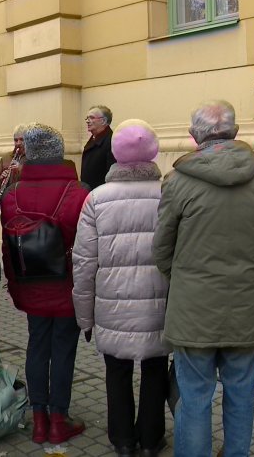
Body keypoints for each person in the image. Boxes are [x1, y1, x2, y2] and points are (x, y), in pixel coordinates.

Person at [152, 100, 254, 457]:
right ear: (236, 132)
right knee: (242, 391)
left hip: (194, 310)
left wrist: (187, 281)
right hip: (247, 307)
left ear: (194, 136)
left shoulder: (177, 182)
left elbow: (161, 249)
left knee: (194, 396)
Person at [73, 119, 170, 457]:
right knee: (156, 369)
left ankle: (123, 440)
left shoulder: (97, 199)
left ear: (115, 153)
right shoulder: (168, 194)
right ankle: (151, 437)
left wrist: (84, 318)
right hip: (160, 305)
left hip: (112, 307)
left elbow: (84, 263)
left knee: (116, 372)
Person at [0, 123, 89, 445]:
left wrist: (14, 287)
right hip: (68, 286)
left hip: (32, 286)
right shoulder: (80, 192)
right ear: (60, 154)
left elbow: (8, 249)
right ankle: (57, 420)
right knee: (64, 351)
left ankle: (38, 420)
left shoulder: (11, 194)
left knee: (37, 346)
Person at [80, 105, 116, 190]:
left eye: (92, 118)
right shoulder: (94, 138)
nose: (87, 121)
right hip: (89, 192)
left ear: (103, 121)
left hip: (101, 194)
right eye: (87, 118)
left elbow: (111, 175)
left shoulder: (111, 141)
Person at [0, 123, 28, 191]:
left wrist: (20, 168)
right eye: (16, 140)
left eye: (21, 139)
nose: (18, 143)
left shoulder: (32, 157)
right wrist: (1, 178)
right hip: (7, 197)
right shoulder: (6, 157)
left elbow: (36, 177)